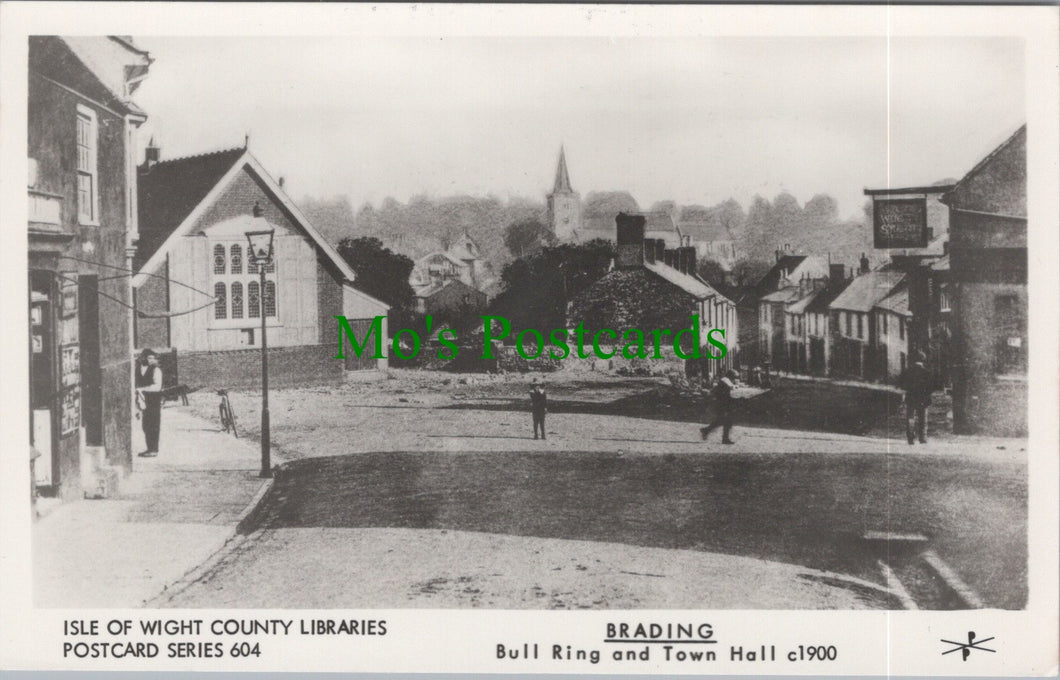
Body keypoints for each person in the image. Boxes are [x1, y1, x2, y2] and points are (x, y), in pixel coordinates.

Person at [898, 350, 934, 445]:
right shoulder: (927, 372)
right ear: (923, 359)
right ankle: (922, 438)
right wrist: (926, 393)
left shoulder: (907, 371)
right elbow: (932, 387)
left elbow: (901, 384)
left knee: (910, 417)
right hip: (923, 398)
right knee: (923, 418)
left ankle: (910, 438)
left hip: (911, 397)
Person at [136, 349, 164, 457]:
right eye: (149, 358)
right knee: (145, 425)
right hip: (143, 400)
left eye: (153, 358)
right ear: (143, 358)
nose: (151, 360)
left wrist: (142, 389)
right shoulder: (139, 369)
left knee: (153, 424)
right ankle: (149, 448)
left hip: (153, 400)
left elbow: (157, 387)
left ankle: (153, 449)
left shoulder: (156, 370)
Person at [701, 368, 740, 445]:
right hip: (721, 404)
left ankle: (707, 430)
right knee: (727, 421)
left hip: (722, 403)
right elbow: (731, 388)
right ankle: (724, 438)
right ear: (731, 376)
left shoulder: (725, 380)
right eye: (734, 377)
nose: (734, 379)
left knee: (723, 420)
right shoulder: (725, 381)